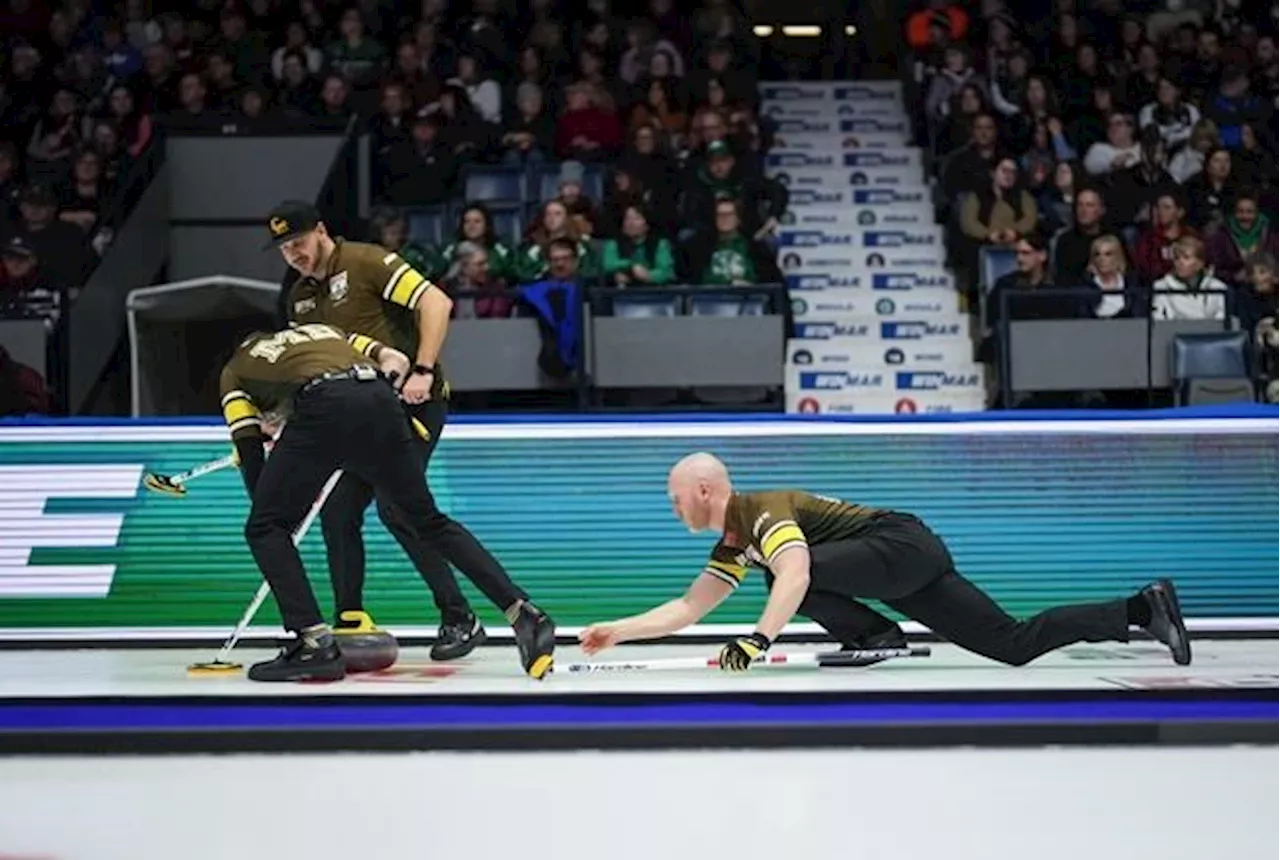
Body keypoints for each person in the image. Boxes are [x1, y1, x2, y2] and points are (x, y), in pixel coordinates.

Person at [579, 453, 1191, 671]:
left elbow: (796, 574)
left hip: (900, 546)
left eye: (674, 495)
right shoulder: (735, 542)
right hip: (902, 564)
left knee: (784, 571)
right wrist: (617, 632)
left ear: (706, 491)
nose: (671, 505)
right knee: (1013, 644)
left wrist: (757, 641)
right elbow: (690, 607)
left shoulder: (761, 512)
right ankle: (1142, 607)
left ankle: (876, 633)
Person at [218, 321, 556, 682]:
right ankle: (523, 612)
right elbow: (393, 358)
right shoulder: (324, 331)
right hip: (379, 398)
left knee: (265, 527)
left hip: (324, 406)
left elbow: (250, 451)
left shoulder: (235, 372)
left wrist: (275, 496)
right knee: (427, 520)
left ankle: (312, 644)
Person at [267, 200, 485, 659]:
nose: (294, 254)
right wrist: (283, 417)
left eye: (299, 242)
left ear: (321, 230)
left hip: (412, 405)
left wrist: (423, 369)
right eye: (285, 248)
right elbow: (310, 365)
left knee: (398, 508)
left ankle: (460, 617)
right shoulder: (299, 298)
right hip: (358, 417)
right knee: (337, 511)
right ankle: (349, 621)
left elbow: (436, 302)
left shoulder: (367, 261)